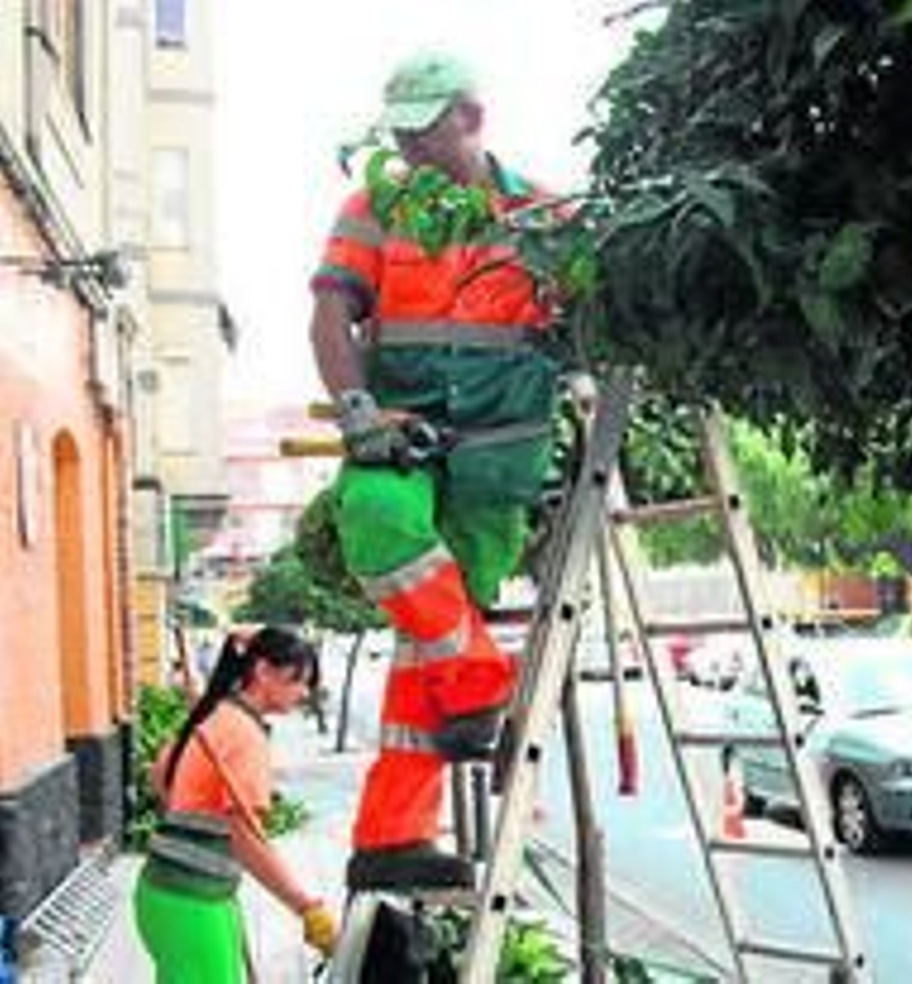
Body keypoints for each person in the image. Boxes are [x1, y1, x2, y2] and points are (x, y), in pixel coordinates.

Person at [309, 51, 566, 891]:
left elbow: (593, 319)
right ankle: (481, 679)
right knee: (379, 521)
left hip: (501, 455)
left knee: (428, 646)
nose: (412, 148)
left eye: (427, 127)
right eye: (403, 132)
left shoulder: (542, 215)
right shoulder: (372, 208)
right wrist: (357, 412)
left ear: (471, 116)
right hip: (400, 434)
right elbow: (331, 312)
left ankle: (390, 839)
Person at [136, 627, 338, 981]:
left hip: (161, 896)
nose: (303, 693)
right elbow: (245, 840)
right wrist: (306, 908)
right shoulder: (245, 735)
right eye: (297, 681)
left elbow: (158, 777)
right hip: (193, 904)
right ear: (262, 671)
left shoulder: (214, 716)